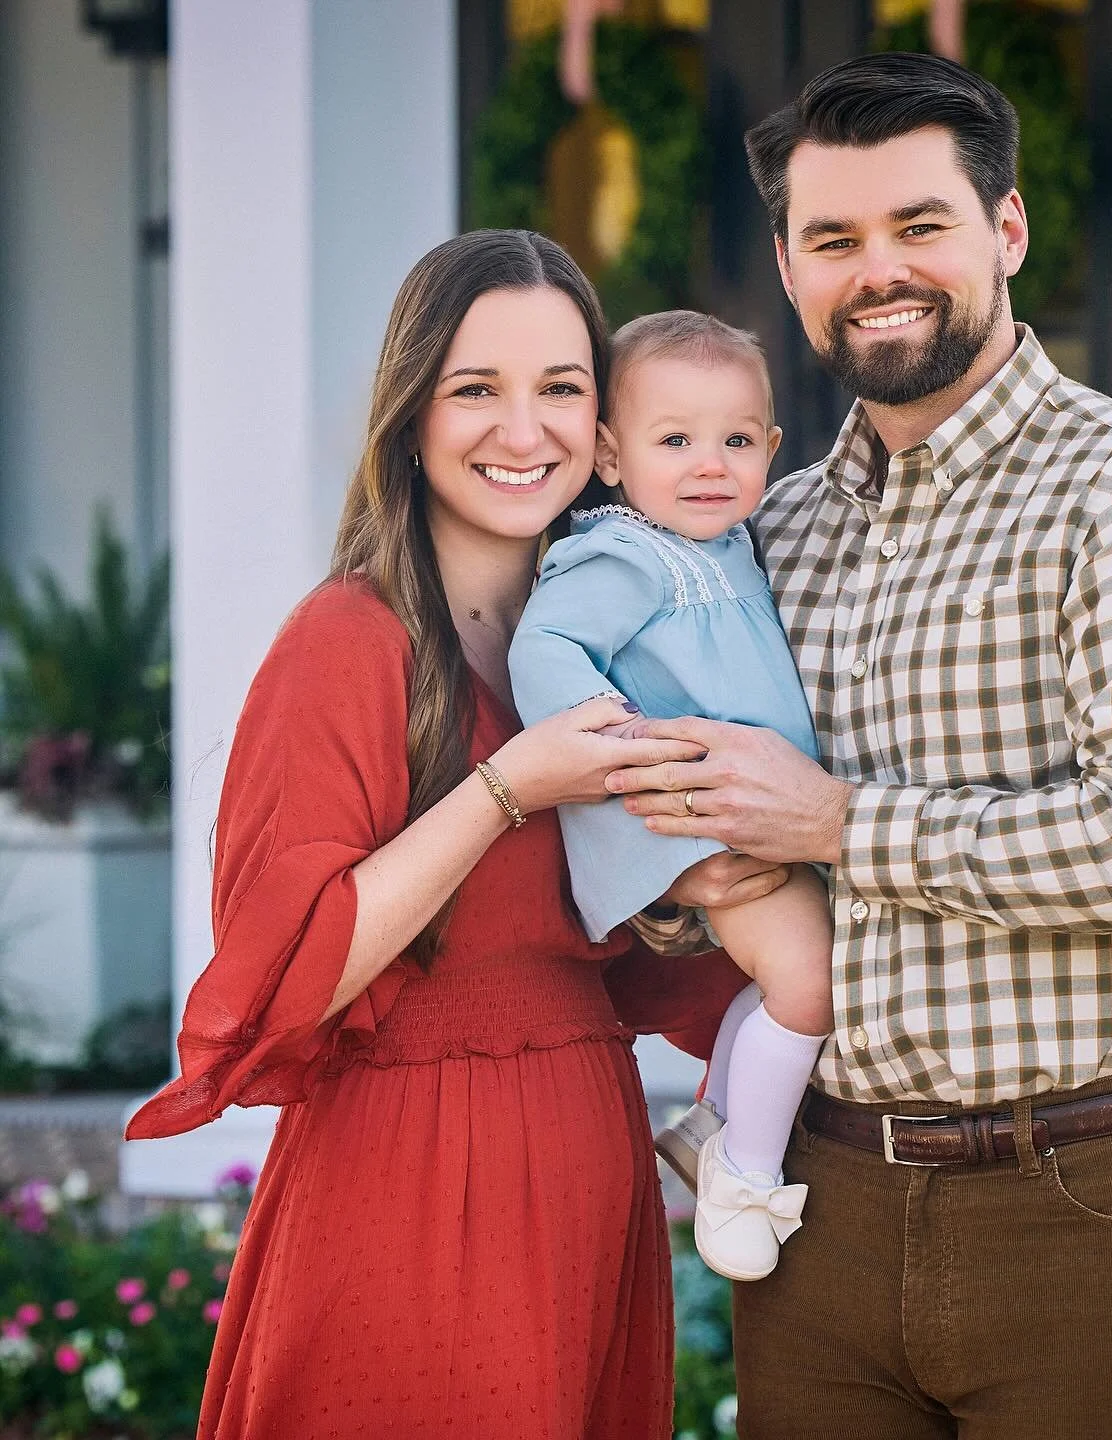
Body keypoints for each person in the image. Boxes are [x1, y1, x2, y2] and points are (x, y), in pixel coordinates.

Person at [606, 52, 1112, 1440]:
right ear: (789, 268)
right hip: (820, 1210)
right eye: (833, 239)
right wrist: (686, 882)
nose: (879, 271)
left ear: (1007, 229)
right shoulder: (764, 535)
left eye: (920, 224)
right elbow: (701, 814)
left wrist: (835, 823)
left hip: (1090, 1198)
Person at [124, 229, 762, 1439]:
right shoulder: (346, 641)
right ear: (412, 415)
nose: (523, 431)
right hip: (406, 1177)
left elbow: (649, 954)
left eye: (559, 388)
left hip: (585, 1165)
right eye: (476, 389)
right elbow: (293, 976)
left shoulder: (630, 644)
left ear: (604, 425)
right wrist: (507, 788)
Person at [509, 310, 833, 1284]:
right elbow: (545, 648)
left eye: (736, 440)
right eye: (675, 440)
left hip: (757, 814)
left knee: (774, 984)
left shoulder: (733, 546)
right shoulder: (624, 556)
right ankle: (746, 1175)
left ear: (771, 448)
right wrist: (625, 747)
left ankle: (711, 1127)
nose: (709, 465)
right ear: (611, 455)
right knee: (812, 985)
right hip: (699, 817)